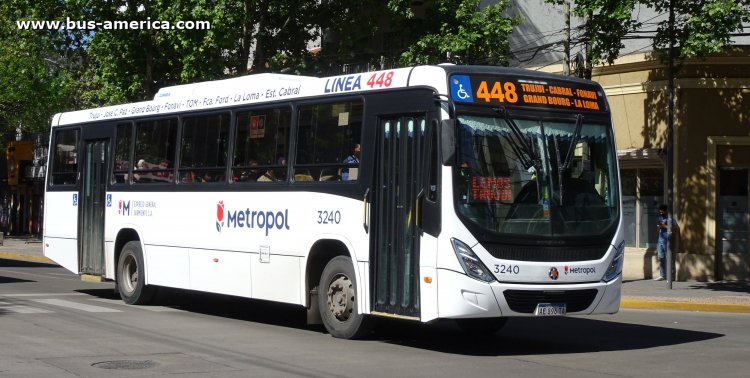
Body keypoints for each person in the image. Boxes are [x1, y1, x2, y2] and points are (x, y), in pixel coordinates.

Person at [655, 204, 679, 281]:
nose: (661, 213)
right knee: (661, 257)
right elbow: (658, 229)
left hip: (668, 242)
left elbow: (677, 229)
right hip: (660, 241)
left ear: (666, 211)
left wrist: (664, 226)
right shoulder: (660, 218)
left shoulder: (671, 219)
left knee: (670, 259)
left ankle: (672, 276)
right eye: (660, 212)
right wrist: (658, 227)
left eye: (662, 212)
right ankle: (662, 275)